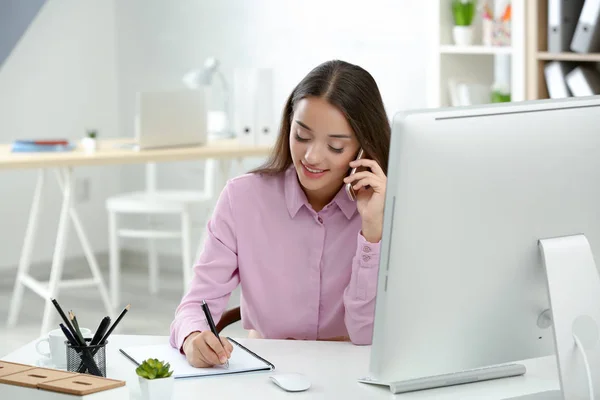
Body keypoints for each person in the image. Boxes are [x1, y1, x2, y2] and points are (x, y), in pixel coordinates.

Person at [170, 59, 391, 368]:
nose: (312, 157)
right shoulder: (242, 198)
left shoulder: (386, 208)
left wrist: (372, 231)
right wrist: (193, 337)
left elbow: (366, 332)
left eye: (336, 146)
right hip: (266, 373)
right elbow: (195, 304)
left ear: (363, 148)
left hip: (351, 372)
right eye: (302, 136)